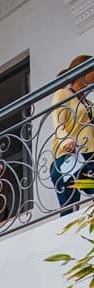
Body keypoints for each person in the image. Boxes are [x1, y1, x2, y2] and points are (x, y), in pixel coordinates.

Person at [51, 55, 94, 214]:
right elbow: (58, 121)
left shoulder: (87, 103)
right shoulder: (63, 94)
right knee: (69, 209)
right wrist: (65, 141)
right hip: (68, 157)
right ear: (82, 73)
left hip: (88, 157)